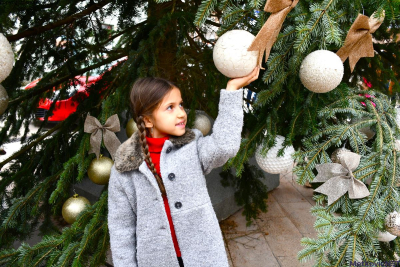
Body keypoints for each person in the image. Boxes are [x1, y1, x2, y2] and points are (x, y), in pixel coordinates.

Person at [108, 67, 260, 267]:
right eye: (170, 107)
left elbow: (224, 147)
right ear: (147, 119)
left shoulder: (192, 147)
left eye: (181, 105)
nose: (181, 113)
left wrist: (232, 90)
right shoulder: (125, 168)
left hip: (203, 256)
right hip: (156, 260)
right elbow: (121, 228)